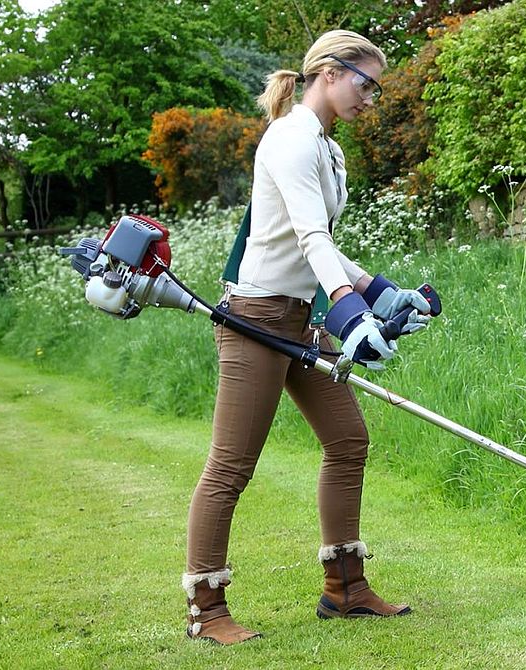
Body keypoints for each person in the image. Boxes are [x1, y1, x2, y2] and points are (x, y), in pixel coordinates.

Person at [181, 29, 433, 645]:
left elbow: (323, 242)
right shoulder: (291, 138)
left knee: (348, 441)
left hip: (294, 318)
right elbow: (308, 240)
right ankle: (206, 611)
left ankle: (345, 589)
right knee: (230, 467)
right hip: (254, 321)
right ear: (328, 71)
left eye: (376, 87)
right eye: (365, 83)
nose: (372, 98)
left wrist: (380, 291)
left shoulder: (326, 146)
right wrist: (349, 311)